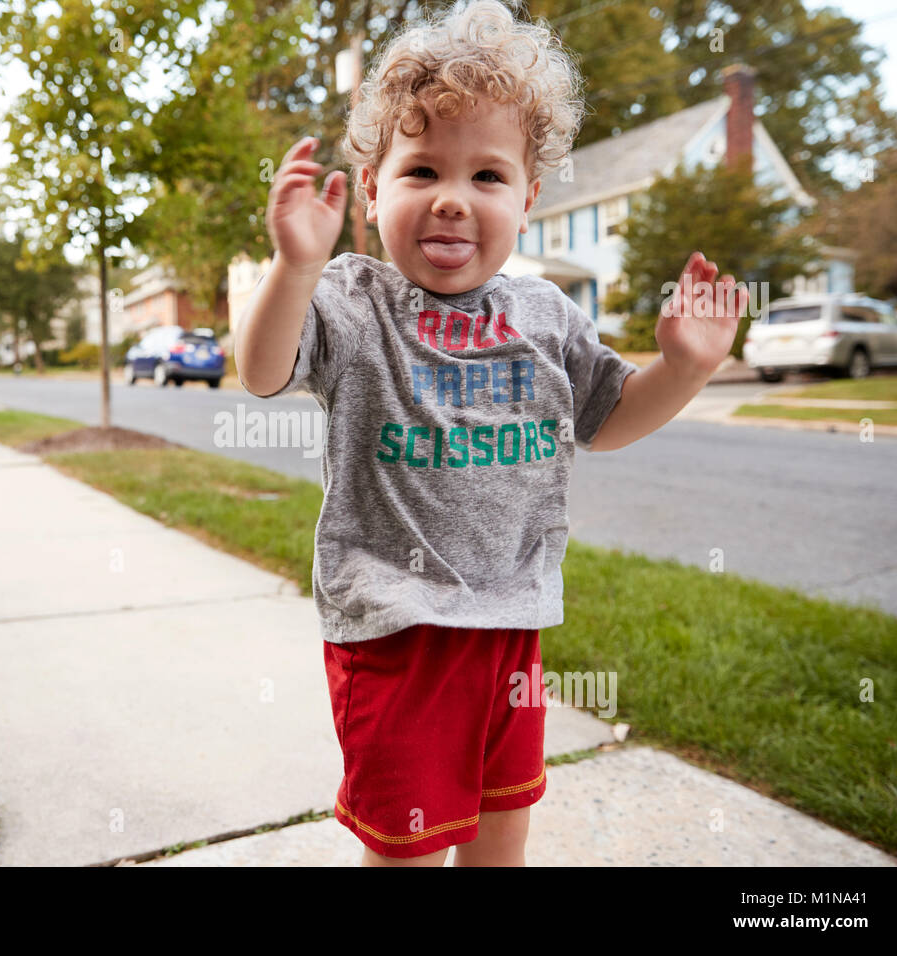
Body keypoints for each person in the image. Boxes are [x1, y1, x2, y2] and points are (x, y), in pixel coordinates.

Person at [234, 0, 747, 867]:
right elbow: (261, 370)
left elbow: (610, 421)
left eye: (487, 177)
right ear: (370, 188)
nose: (452, 202)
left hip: (511, 624)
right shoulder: (354, 303)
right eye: (421, 170)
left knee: (503, 826)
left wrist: (685, 371)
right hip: (396, 632)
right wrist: (294, 266)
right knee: (408, 847)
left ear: (529, 195)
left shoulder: (545, 314)